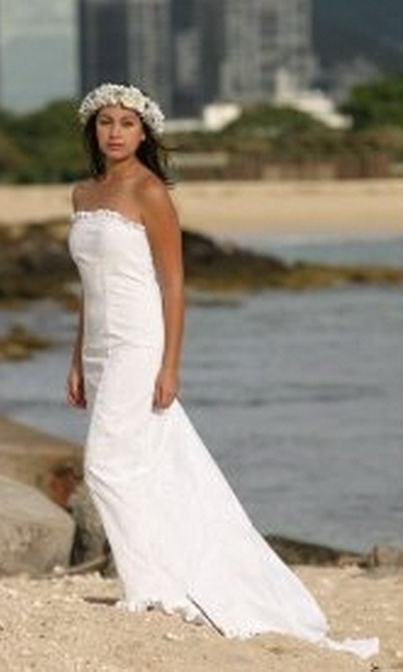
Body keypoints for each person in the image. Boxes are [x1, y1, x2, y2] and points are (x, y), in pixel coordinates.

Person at [66, 83, 378, 658]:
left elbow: (173, 281)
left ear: (144, 134)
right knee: (146, 466)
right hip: (100, 351)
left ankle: (147, 588)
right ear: (93, 130)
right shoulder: (83, 195)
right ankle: (158, 577)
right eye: (106, 122)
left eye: (126, 124)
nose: (115, 132)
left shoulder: (150, 192)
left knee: (105, 465)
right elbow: (88, 288)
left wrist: (170, 363)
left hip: (140, 344)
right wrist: (77, 357)